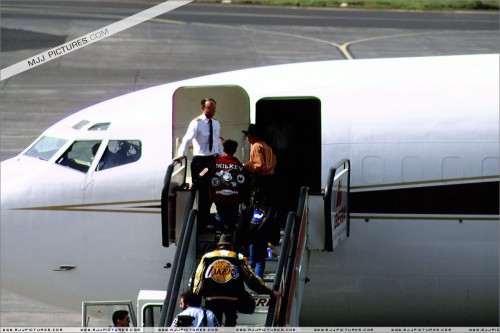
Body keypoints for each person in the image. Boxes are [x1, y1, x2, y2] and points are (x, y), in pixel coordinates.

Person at [192, 234, 280, 327]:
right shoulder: (238, 257)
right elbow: (251, 279)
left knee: (213, 325)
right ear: (231, 247)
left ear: (218, 246)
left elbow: (198, 280)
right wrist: (270, 291)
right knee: (230, 324)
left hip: (212, 299)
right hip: (232, 299)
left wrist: (194, 299)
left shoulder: (207, 257)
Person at [175, 98, 224, 229]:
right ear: (202, 108)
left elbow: (217, 142)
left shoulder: (216, 123)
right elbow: (187, 139)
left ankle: (212, 219)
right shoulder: (196, 123)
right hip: (201, 162)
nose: (212, 112)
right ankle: (202, 222)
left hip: (213, 160)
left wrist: (222, 157)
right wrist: (181, 154)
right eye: (209, 109)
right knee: (202, 193)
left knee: (214, 189)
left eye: (214, 109)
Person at [242, 124, 278, 277]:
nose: (247, 138)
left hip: (261, 181)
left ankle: (253, 274)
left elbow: (259, 166)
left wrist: (246, 166)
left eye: (248, 135)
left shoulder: (256, 146)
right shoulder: (267, 147)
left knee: (256, 211)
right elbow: (273, 162)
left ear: (253, 136)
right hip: (270, 180)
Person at [208, 139, 247, 234]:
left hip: (219, 197)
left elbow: (209, 178)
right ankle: (231, 238)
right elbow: (243, 183)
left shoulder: (216, 162)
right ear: (235, 150)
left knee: (220, 216)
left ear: (223, 149)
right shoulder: (238, 164)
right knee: (232, 220)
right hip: (234, 198)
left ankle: (219, 236)